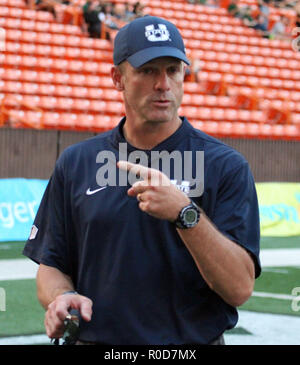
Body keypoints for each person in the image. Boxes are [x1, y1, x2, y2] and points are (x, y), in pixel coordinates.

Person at [23, 15, 261, 345]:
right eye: (148, 70)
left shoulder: (225, 166)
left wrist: (185, 213)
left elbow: (239, 289)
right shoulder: (76, 163)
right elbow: (52, 265)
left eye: (172, 70)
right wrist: (60, 297)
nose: (162, 83)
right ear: (117, 78)